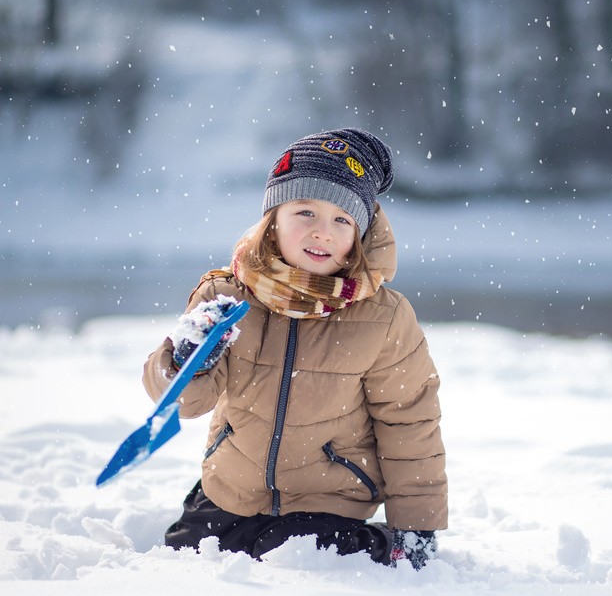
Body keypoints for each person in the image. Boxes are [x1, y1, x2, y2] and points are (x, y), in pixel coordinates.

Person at [143, 128, 447, 570]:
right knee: (183, 557)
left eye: (342, 219)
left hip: (329, 500)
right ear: (273, 220)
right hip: (233, 488)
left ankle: (374, 545)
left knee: (295, 555)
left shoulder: (383, 319)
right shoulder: (227, 296)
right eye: (306, 211)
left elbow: (411, 424)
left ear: (359, 235)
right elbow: (185, 404)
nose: (322, 232)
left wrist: (417, 525)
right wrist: (186, 359)